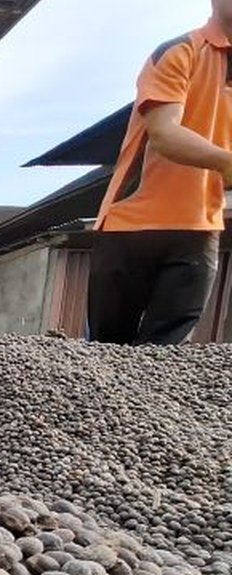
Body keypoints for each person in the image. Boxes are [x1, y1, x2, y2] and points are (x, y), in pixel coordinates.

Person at [90, 0, 232, 345]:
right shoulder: (181, 51)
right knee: (108, 352)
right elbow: (165, 134)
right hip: (132, 222)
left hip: (199, 230)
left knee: (164, 360)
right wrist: (227, 163)